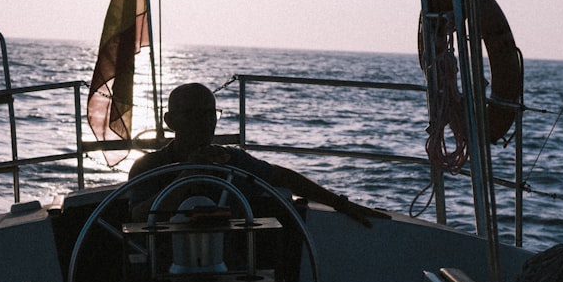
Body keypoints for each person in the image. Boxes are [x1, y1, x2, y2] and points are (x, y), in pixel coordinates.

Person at [128, 83, 387, 227]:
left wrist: (341, 204)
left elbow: (283, 177)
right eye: (194, 114)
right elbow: (137, 218)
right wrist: (188, 174)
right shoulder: (149, 166)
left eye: (210, 114)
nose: (205, 122)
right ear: (170, 121)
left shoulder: (233, 161)